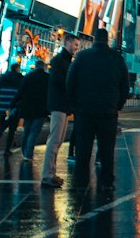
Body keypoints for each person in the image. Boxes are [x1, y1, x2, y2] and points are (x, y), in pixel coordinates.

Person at [67, 25, 130, 191]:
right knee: (107, 150)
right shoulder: (117, 58)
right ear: (107, 39)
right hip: (108, 112)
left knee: (83, 150)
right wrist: (118, 104)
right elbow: (125, 85)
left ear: (94, 39)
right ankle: (107, 182)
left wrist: (75, 104)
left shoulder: (81, 57)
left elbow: (70, 82)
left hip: (84, 112)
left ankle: (81, 182)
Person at [42, 36, 76, 187]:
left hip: (63, 105)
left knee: (59, 140)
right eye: (75, 44)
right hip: (58, 105)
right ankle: (47, 175)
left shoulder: (67, 61)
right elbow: (59, 82)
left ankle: (52, 173)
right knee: (54, 140)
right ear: (67, 43)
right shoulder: (58, 61)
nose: (76, 47)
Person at [17, 59, 49, 162]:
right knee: (34, 132)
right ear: (43, 67)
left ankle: (24, 150)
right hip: (41, 109)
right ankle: (28, 153)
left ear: (35, 66)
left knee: (27, 130)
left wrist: (14, 103)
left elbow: (20, 92)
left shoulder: (28, 77)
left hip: (28, 108)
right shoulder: (47, 78)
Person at [0, 57, 25, 154]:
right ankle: (7, 149)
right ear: (17, 69)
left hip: (3, 107)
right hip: (14, 108)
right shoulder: (20, 79)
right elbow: (21, 94)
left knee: (2, 125)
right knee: (12, 129)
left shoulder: (3, 78)